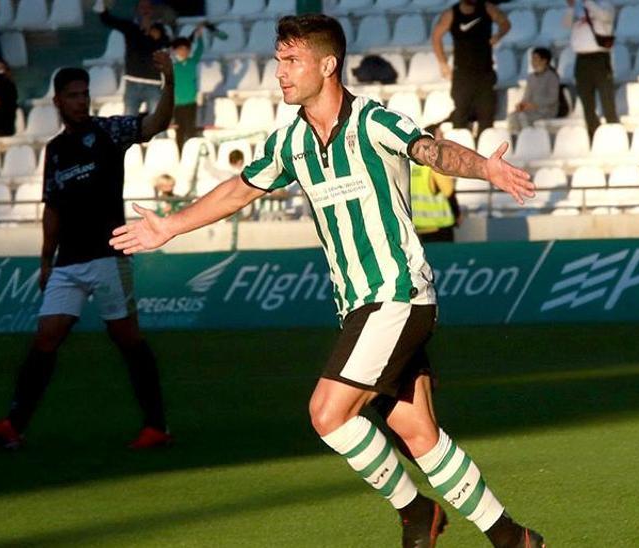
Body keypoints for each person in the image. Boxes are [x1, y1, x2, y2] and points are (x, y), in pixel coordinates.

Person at [110, 15, 543, 548]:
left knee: (327, 413)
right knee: (418, 434)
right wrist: (170, 226)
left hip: (397, 294)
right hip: (357, 306)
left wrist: (486, 168)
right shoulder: (291, 140)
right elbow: (241, 189)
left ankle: (414, 513)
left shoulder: (374, 122)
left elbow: (430, 150)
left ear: (328, 64)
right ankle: (513, 538)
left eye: (292, 62)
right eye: (278, 62)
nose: (280, 74)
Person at [0, 54, 178, 451]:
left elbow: (155, 124)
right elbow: (53, 208)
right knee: (46, 337)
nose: (82, 101)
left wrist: (168, 82)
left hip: (108, 256)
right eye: (74, 95)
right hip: (68, 261)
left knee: (126, 337)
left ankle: (156, 427)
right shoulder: (56, 149)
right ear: (58, 102)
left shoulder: (108, 132)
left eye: (85, 94)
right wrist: (46, 260)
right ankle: (13, 427)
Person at [431, 0, 510, 136]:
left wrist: (498, 35)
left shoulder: (487, 9)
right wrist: (443, 63)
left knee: (486, 117)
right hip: (462, 75)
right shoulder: (451, 14)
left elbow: (505, 24)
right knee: (460, 117)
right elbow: (436, 37)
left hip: (485, 73)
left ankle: (484, 152)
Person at [96, 0, 169, 116]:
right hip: (132, 82)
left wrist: (150, 30)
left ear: (152, 10)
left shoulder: (159, 28)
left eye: (148, 7)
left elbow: (165, 43)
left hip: (153, 82)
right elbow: (108, 20)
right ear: (137, 10)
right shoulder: (130, 27)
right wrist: (103, 6)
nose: (145, 10)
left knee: (157, 121)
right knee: (129, 121)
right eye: (142, 7)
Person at [565, 0, 618, 138]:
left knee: (607, 99)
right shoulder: (578, 8)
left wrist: (587, 2)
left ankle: (614, 135)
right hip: (581, 59)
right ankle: (593, 135)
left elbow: (606, 17)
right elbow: (565, 25)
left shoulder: (605, 5)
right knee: (586, 101)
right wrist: (571, 8)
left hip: (599, 58)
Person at [411, 126, 458, 243]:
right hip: (439, 226)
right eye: (440, 136)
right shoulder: (436, 164)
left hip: (417, 226)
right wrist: (457, 215)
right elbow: (449, 192)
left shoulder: (412, 164)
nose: (443, 139)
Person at [170, 26, 207, 150]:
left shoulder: (192, 62)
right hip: (178, 104)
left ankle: (192, 152)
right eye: (180, 49)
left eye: (186, 49)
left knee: (191, 129)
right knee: (179, 131)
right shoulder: (173, 66)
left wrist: (200, 37)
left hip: (191, 102)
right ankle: (180, 154)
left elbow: (200, 50)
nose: (183, 52)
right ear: (175, 51)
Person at [507, 48, 560, 133]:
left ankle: (529, 138)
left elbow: (552, 98)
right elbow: (527, 95)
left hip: (546, 110)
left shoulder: (552, 77)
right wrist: (521, 104)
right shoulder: (531, 77)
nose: (533, 62)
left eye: (535, 59)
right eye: (532, 59)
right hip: (531, 109)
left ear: (544, 61)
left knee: (523, 117)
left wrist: (535, 104)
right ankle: (517, 139)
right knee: (512, 116)